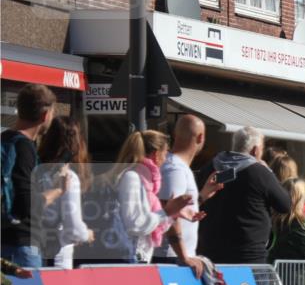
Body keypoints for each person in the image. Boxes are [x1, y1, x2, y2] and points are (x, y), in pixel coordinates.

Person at [197, 126, 290, 264]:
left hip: (210, 250)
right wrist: (269, 172)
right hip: (248, 254)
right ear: (255, 150)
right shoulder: (259, 172)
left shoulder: (209, 167)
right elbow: (285, 205)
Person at [1, 84, 64, 267]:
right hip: (22, 243)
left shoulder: (4, 139)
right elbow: (28, 203)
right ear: (45, 116)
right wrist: (58, 190)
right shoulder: (25, 147)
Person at [153, 114, 222, 276]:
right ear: (201, 137)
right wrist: (184, 256)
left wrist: (202, 196)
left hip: (175, 256)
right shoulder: (174, 168)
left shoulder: (177, 167)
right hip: (171, 258)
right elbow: (170, 213)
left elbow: (174, 206)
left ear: (176, 135)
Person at [115, 131, 199, 263]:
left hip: (139, 258)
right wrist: (166, 212)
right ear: (156, 154)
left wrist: (172, 213)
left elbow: (151, 224)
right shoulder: (132, 178)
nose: (166, 158)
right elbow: (135, 225)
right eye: (165, 153)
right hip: (127, 259)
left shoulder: (147, 182)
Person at [34, 117, 93, 269]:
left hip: (32, 246)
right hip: (57, 256)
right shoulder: (69, 177)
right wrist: (86, 234)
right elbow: (73, 226)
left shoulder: (35, 170)